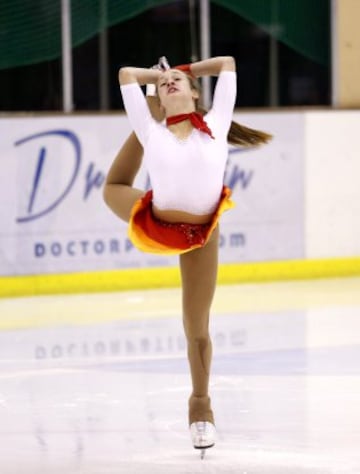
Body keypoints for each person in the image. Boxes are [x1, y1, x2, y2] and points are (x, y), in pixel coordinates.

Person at [103, 55, 271, 455]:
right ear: (159, 100)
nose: (171, 83)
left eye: (178, 81)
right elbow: (125, 73)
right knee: (114, 187)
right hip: (154, 217)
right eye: (164, 85)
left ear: (196, 93)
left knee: (196, 326)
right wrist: (158, 79)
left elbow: (229, 62)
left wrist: (186, 71)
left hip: (200, 235)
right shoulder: (153, 129)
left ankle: (200, 408)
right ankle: (148, 103)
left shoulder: (215, 123)